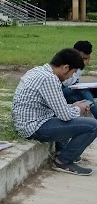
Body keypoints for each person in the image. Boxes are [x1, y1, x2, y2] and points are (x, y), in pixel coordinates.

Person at [12, 48, 97, 176]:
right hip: (34, 127)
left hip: (31, 121)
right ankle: (63, 161)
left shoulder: (38, 71)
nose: (71, 77)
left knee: (69, 114)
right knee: (93, 126)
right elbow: (65, 115)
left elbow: (58, 107)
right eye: (72, 73)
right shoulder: (49, 79)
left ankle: (63, 152)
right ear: (65, 67)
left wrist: (72, 106)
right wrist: (78, 109)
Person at [62, 40, 97, 119]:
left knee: (92, 91)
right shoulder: (64, 63)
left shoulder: (79, 64)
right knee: (83, 91)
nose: (83, 61)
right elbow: (64, 83)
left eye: (86, 58)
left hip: (72, 90)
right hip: (61, 91)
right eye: (82, 58)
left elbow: (75, 82)